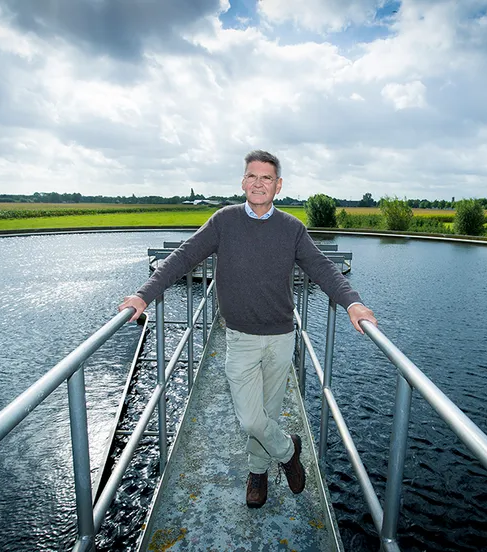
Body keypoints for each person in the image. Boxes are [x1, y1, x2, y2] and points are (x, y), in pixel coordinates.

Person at [119, 150, 377, 508]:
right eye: (252, 177)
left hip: (281, 338)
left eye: (266, 178)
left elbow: (323, 268)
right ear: (243, 182)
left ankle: (257, 472)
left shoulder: (292, 229)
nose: (258, 183)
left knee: (266, 415)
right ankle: (288, 451)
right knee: (251, 418)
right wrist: (143, 295)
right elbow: (183, 257)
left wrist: (352, 302)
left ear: (278, 185)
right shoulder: (224, 221)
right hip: (239, 338)